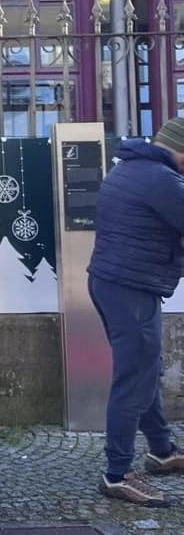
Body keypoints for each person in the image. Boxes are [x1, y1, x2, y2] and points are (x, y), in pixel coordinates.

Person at [87, 117, 184, 506]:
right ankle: (118, 474)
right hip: (130, 289)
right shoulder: (163, 181)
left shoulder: (130, 167)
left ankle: (162, 451)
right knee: (134, 379)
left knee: (147, 367)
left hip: (117, 284)